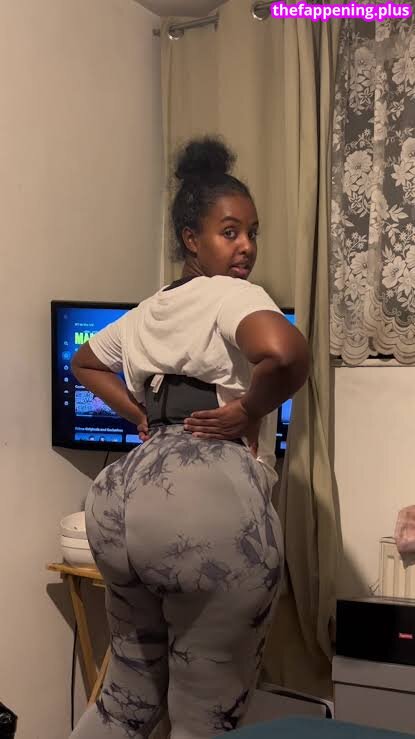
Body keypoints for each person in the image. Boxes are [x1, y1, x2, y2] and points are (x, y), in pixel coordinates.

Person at [69, 137, 309, 739]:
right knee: (207, 719)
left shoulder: (150, 309)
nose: (246, 246)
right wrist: (247, 409)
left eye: (252, 233)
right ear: (190, 239)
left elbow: (85, 362)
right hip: (202, 498)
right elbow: (285, 353)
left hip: (119, 498)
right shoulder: (235, 295)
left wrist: (141, 415)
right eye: (229, 232)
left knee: (125, 702)